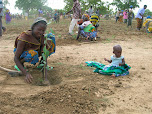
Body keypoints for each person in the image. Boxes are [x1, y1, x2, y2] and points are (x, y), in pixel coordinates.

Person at [14, 17, 56, 83]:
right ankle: (20, 64)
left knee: (51, 38)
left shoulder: (42, 38)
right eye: (39, 29)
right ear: (33, 27)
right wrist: (26, 73)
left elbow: (44, 55)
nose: (41, 32)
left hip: (35, 51)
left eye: (43, 30)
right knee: (33, 54)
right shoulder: (24, 37)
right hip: (22, 53)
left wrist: (45, 78)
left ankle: (41, 64)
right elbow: (16, 58)